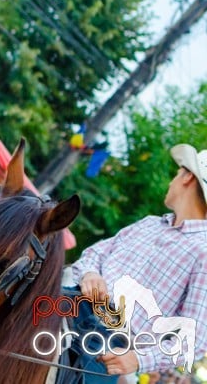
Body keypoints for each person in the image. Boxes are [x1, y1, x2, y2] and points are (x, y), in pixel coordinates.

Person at [64, 143, 207, 381]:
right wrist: (90, 273)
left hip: (109, 344)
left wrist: (139, 359)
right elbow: (95, 254)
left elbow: (197, 337)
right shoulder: (149, 223)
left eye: (176, 173)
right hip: (72, 304)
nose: (171, 182)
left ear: (188, 177)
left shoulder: (204, 252)